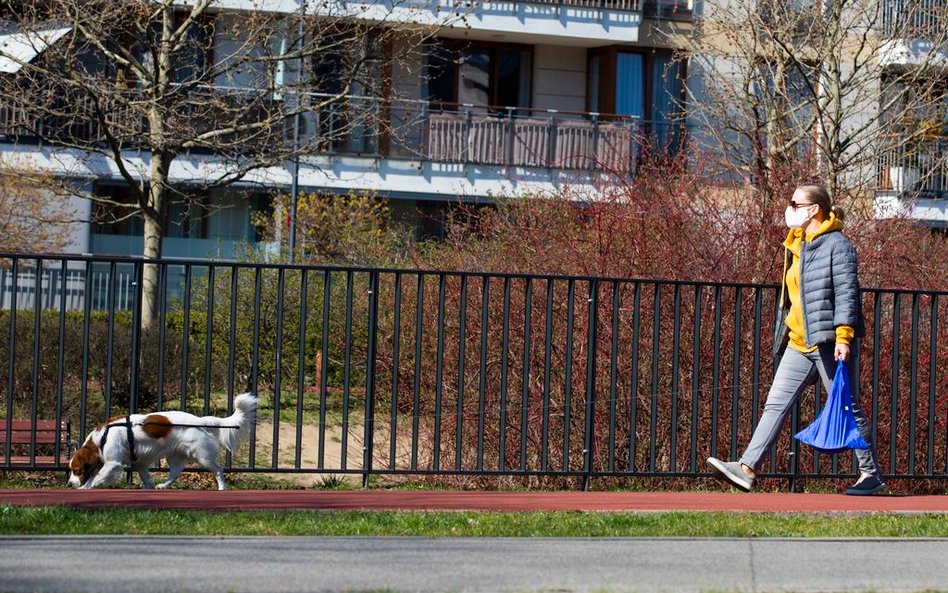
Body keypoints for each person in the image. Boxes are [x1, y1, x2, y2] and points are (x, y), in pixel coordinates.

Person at [707, 183, 885, 496]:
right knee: (774, 404)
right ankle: (747, 468)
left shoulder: (837, 245)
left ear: (813, 208)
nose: (789, 208)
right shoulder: (797, 245)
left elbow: (847, 293)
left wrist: (844, 335)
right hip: (799, 342)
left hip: (829, 341)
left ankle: (871, 475)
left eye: (795, 202)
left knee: (847, 407)